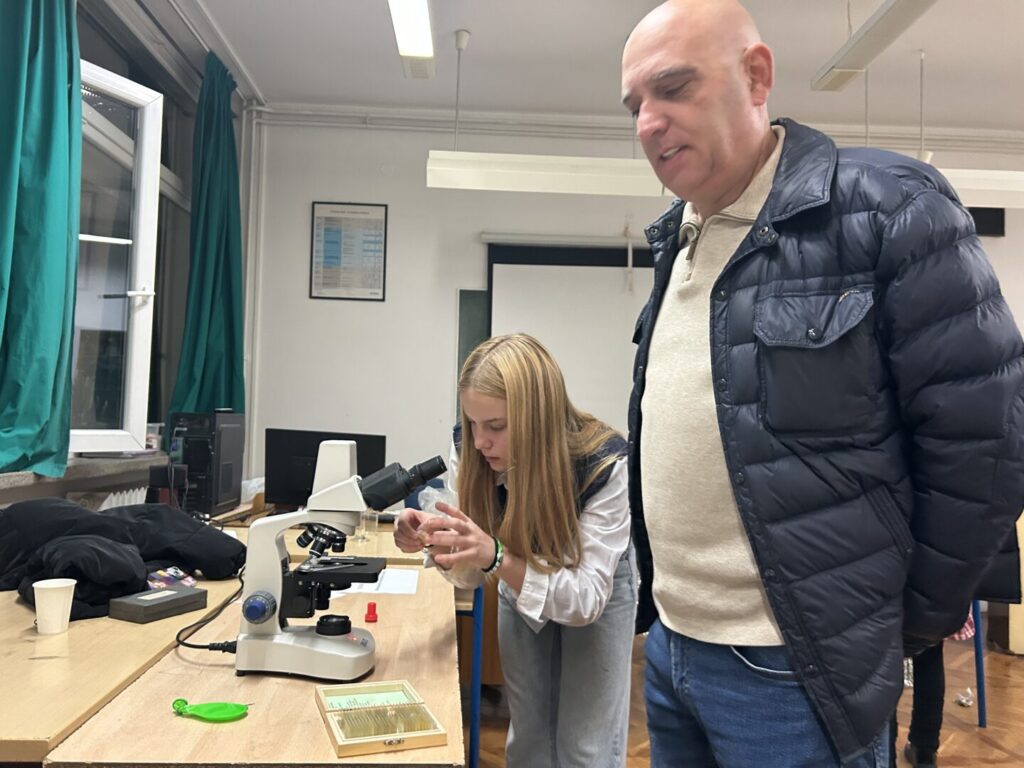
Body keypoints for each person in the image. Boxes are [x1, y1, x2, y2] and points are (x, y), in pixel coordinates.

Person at [620, 1, 1024, 766]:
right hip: (672, 649)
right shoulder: (680, 240)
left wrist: (895, 626)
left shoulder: (890, 208)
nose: (648, 122)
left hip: (797, 672)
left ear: (756, 76)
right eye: (634, 104)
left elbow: (988, 443)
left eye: (672, 88)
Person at [393, 333, 637, 768]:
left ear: (537, 419)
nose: (479, 442)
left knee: (586, 747)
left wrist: (494, 556)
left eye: (496, 426)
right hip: (515, 571)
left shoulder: (604, 464)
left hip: (592, 587)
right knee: (528, 737)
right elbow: (470, 573)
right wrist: (437, 540)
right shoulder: (472, 449)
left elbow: (583, 601)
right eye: (472, 423)